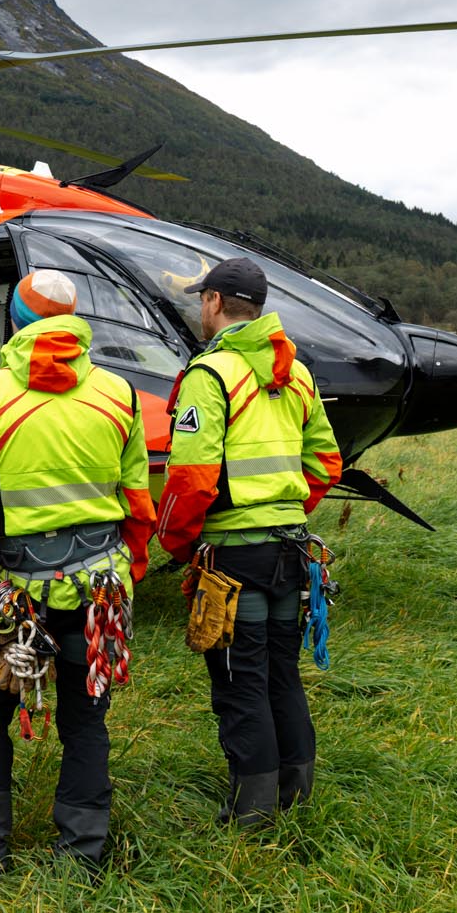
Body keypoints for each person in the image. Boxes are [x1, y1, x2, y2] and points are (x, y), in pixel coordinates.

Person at [0, 270, 156, 875]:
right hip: (100, 591)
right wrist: (130, 572)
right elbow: (137, 501)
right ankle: (82, 855)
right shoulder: (119, 394)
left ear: (15, 322)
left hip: (17, 594)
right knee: (85, 715)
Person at [157, 257, 342, 830]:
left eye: (200, 300)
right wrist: (285, 509)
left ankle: (252, 813)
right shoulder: (296, 373)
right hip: (292, 549)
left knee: (240, 682)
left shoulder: (209, 376)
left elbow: (189, 480)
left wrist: (179, 543)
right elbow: (327, 462)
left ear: (213, 302)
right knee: (281, 673)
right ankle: (296, 793)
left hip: (234, 555)